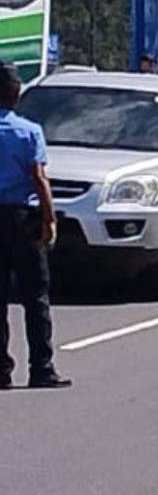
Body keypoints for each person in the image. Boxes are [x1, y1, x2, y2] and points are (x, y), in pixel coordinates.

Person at [0, 61, 70, 389]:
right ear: (15, 95)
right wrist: (50, 218)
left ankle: (1, 370)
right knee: (35, 295)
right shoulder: (28, 131)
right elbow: (39, 178)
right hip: (22, 220)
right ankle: (41, 367)